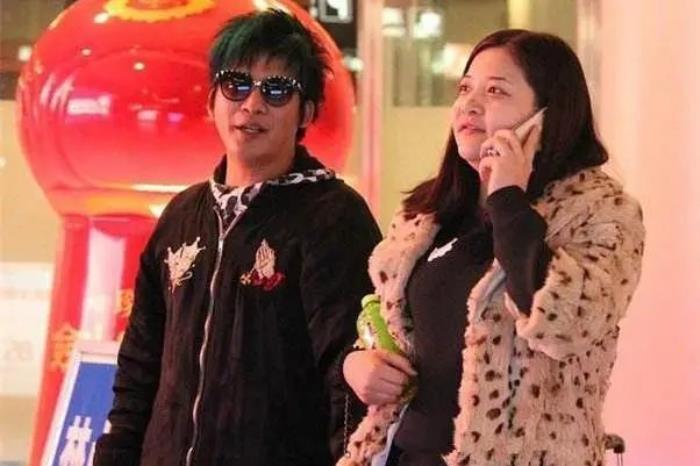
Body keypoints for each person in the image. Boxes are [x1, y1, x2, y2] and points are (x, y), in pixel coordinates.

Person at [340, 29, 645, 466]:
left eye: (496, 91)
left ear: (548, 113)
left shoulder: (600, 212)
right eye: (465, 88)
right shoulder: (427, 214)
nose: (469, 104)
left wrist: (507, 199)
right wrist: (358, 363)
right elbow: (395, 331)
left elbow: (565, 322)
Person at [94, 9, 380, 466]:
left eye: (277, 89)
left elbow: (348, 377)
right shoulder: (181, 216)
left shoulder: (334, 216)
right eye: (236, 84)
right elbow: (139, 367)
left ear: (306, 112)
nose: (252, 104)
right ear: (212, 101)